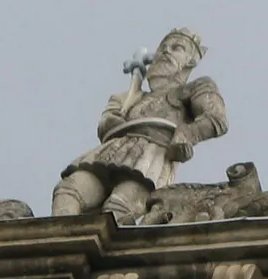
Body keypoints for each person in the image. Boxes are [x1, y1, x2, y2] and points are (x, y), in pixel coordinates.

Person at [52, 28, 228, 223]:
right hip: (113, 148)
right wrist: (113, 117)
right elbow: (106, 124)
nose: (166, 52)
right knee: (68, 190)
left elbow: (216, 119)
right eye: (163, 48)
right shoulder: (131, 96)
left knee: (118, 207)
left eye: (176, 48)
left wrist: (186, 134)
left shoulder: (194, 88)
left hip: (151, 156)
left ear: (191, 60)